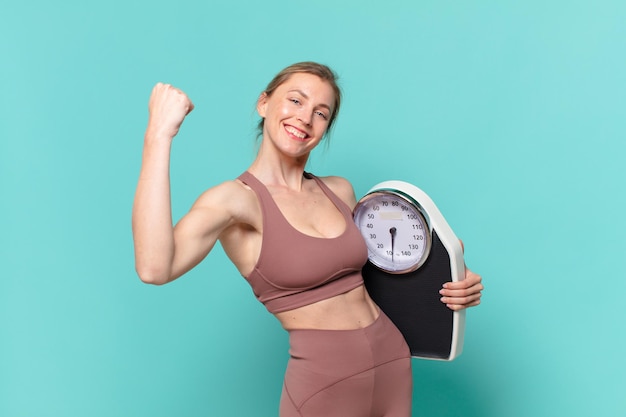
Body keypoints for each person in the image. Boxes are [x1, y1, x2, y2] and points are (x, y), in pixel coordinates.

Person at [132, 62, 483, 417]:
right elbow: (154, 267)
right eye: (295, 101)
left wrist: (452, 274)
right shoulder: (235, 201)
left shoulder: (340, 191)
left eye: (321, 112)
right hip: (324, 384)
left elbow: (391, 265)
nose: (305, 118)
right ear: (264, 103)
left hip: (393, 363)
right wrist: (158, 136)